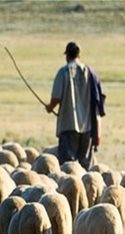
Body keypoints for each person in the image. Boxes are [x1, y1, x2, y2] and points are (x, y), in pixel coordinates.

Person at [45, 41, 105, 169]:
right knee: (85, 167)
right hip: (88, 127)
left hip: (68, 126)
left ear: (67, 56)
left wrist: (49, 108)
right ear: (79, 55)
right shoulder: (91, 73)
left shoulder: (64, 72)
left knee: (68, 168)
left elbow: (56, 97)